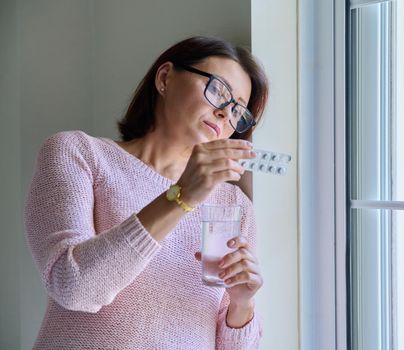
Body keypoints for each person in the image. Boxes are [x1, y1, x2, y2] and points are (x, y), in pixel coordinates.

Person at [24, 36, 268, 350]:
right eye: (219, 90)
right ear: (165, 77)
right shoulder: (79, 154)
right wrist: (182, 196)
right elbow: (74, 288)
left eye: (238, 110)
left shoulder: (234, 205)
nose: (225, 114)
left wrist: (242, 303)